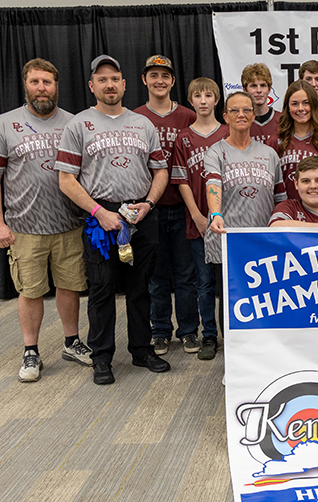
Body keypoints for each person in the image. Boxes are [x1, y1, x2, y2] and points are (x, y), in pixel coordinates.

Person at [56, 55, 170, 385]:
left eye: (115, 78)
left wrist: (149, 203)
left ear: (124, 84)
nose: (109, 84)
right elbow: (66, 179)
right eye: (102, 79)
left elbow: (160, 170)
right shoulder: (79, 125)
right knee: (102, 289)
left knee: (141, 288)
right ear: (92, 86)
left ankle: (141, 349)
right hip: (100, 217)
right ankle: (101, 356)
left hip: (140, 214)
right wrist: (98, 212)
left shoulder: (142, 124)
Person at [0, 58, 91, 382]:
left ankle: (72, 342)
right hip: (24, 227)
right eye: (35, 82)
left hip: (68, 223)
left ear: (57, 86)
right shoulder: (5, 124)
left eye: (48, 83)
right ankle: (31, 351)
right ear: (26, 86)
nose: (42, 88)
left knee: (70, 286)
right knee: (31, 290)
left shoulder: (74, 123)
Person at [133, 55, 200, 356]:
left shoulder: (188, 116)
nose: (159, 80)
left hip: (183, 206)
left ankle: (188, 330)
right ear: (144, 80)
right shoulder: (134, 117)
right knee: (156, 276)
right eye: (153, 75)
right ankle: (160, 331)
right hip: (150, 209)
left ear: (173, 81)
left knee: (186, 275)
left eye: (165, 75)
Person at [205, 91, 286, 333]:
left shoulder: (269, 154)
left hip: (260, 240)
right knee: (230, 300)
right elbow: (213, 185)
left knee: (264, 299)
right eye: (234, 110)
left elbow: (280, 198)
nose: (241, 114)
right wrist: (216, 214)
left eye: (247, 110)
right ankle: (231, 356)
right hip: (226, 238)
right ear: (225, 116)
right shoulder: (215, 152)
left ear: (253, 115)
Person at [171, 78, 229, 361]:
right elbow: (181, 180)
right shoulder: (183, 137)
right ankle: (209, 335)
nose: (203, 100)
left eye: (209, 95)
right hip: (200, 222)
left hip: (229, 222)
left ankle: (231, 333)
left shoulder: (229, 132)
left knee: (229, 284)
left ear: (217, 100)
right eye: (197, 96)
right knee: (203, 283)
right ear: (190, 101)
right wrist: (197, 214)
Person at [277, 80, 318, 201]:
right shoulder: (275, 142)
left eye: (306, 103)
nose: (300, 108)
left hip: (316, 215)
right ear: (287, 107)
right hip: (285, 214)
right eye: (295, 104)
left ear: (314, 105)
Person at [242, 63, 280, 148]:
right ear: (245, 90)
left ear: (269, 89)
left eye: (263, 85)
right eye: (254, 86)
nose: (259, 90)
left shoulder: (283, 121)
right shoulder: (240, 121)